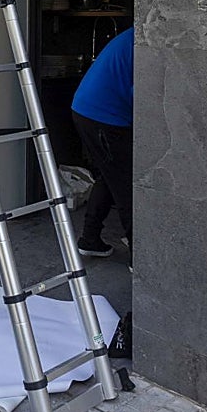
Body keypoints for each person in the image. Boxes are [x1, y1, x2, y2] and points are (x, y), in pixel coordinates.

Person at [71, 26, 134, 265]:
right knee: (126, 184)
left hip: (88, 110)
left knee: (110, 176)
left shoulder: (132, 37)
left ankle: (90, 239)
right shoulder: (144, 44)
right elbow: (145, 96)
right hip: (104, 118)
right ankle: (139, 260)